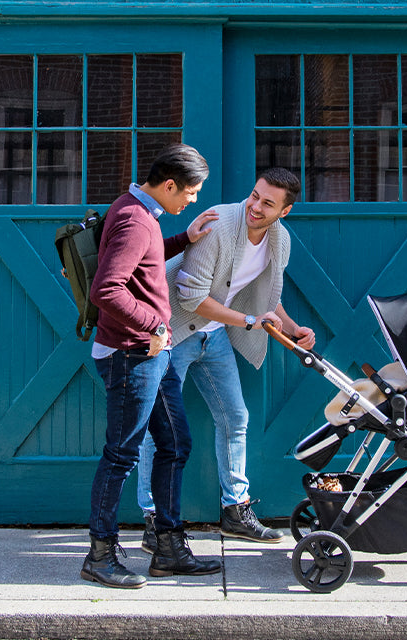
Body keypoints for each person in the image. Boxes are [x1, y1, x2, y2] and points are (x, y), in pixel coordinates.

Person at [136, 167, 316, 546]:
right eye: (254, 195)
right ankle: (154, 517)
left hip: (213, 336)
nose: (255, 206)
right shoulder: (220, 224)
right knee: (161, 428)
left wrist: (292, 327)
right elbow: (191, 298)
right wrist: (251, 320)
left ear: (284, 211)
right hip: (174, 331)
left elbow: (269, 294)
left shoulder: (279, 240)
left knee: (235, 417)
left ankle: (235, 510)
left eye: (268, 203)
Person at [81, 144, 222, 589]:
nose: (192, 201)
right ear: (168, 185)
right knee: (121, 455)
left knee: (175, 444)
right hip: (131, 355)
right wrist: (154, 325)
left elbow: (141, 260)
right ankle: (99, 556)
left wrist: (185, 240)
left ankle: (168, 549)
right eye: (191, 192)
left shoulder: (139, 214)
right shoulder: (131, 218)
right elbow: (106, 289)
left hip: (149, 356)